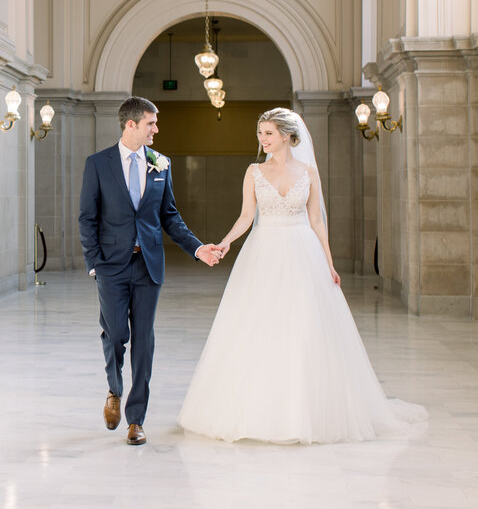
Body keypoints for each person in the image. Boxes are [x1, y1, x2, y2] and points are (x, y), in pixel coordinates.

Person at [177, 107, 427, 443]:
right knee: (259, 324)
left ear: (285, 135)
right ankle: (257, 407)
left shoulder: (308, 172)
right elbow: (246, 216)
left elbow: (317, 221)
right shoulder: (253, 171)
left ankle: (306, 410)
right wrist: (225, 242)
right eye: (260, 133)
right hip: (263, 251)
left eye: (267, 133)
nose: (262, 139)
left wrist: (329, 262)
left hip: (301, 249)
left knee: (304, 324)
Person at [79, 96, 224, 446]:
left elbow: (169, 216)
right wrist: (95, 263)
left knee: (144, 341)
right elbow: (87, 218)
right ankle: (114, 390)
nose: (156, 129)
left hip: (149, 266)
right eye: (151, 123)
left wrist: (197, 247)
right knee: (115, 336)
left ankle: (136, 419)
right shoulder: (98, 164)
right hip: (111, 267)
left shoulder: (161, 163)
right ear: (130, 125)